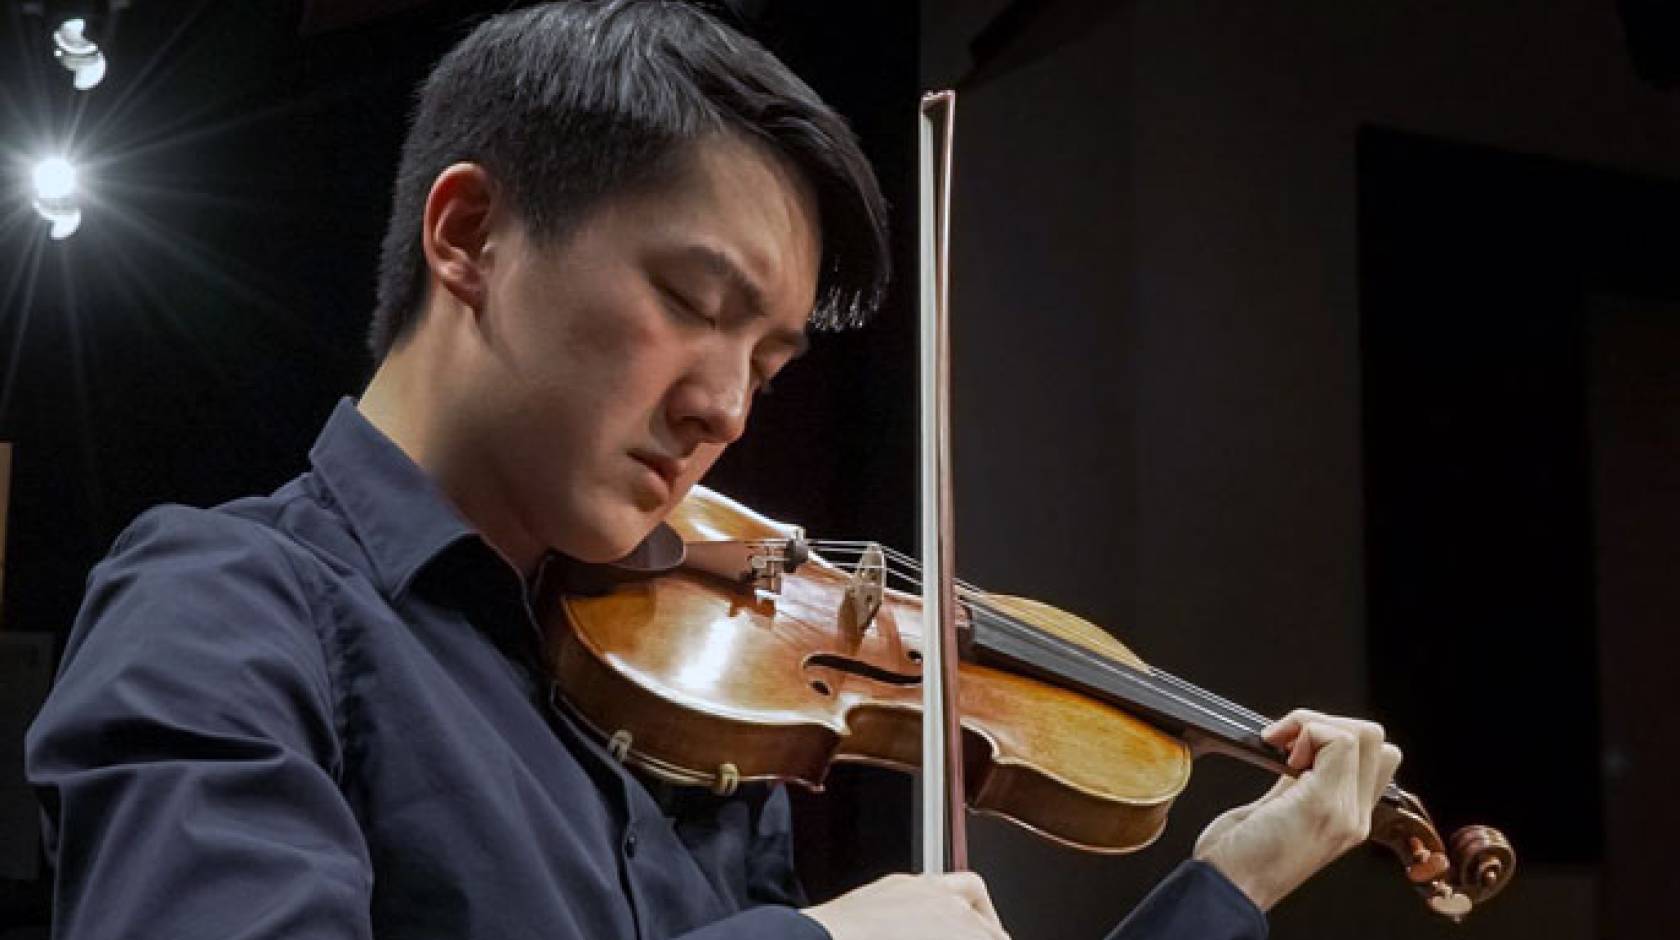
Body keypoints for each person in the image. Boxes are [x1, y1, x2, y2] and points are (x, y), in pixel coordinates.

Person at [25, 3, 1401, 939]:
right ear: (469, 235)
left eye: (774, 360)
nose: (730, 407)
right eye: (692, 300)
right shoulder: (224, 608)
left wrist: (1229, 885)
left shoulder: (682, 700)